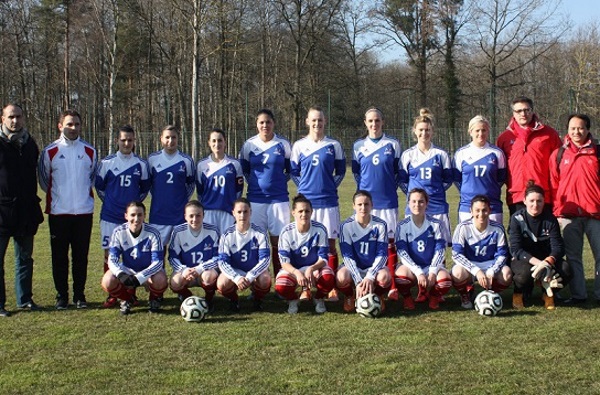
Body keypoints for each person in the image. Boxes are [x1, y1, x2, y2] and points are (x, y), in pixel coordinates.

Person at [39, 109, 97, 310]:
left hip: (83, 213)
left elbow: (92, 178)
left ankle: (79, 295)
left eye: (77, 124)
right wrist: (59, 198)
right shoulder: (50, 151)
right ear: (60, 126)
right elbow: (45, 181)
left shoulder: (90, 151)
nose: (73, 128)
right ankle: (61, 296)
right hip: (59, 213)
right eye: (69, 124)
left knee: (81, 257)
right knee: (59, 257)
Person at [291, 106, 345, 301]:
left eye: (320, 120)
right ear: (307, 122)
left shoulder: (333, 145)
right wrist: (304, 192)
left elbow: (340, 172)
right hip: (307, 205)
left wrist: (330, 187)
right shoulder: (298, 146)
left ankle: (331, 287)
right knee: (307, 245)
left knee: (330, 245)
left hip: (328, 202)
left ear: (325, 121)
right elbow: (294, 172)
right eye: (313, 120)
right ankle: (306, 287)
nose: (317, 124)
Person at [95, 125, 150, 308]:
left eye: (130, 140)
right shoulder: (107, 163)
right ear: (117, 140)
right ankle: (113, 295)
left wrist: (132, 209)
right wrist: (113, 203)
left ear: (134, 141)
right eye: (123, 140)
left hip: (132, 220)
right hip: (110, 216)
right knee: (109, 255)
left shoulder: (141, 165)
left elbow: (144, 190)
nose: (127, 143)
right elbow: (100, 188)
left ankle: (130, 294)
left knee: (130, 256)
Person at [550, 113, 600, 305]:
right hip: (568, 215)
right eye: (572, 128)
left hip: (595, 214)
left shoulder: (597, 152)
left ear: (588, 129)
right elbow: (554, 184)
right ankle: (579, 295)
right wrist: (558, 209)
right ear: (567, 130)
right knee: (573, 257)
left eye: (580, 128)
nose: (576, 132)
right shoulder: (559, 154)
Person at [351, 107, 401, 300]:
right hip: (365, 204)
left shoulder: (393, 144)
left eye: (377, 120)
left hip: (387, 202)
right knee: (367, 241)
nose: (374, 124)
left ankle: (393, 286)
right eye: (370, 121)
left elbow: (397, 173)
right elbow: (356, 173)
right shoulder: (358, 146)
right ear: (365, 122)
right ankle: (366, 280)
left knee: (389, 243)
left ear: (383, 122)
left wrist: (387, 187)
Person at [0, 104, 44, 317]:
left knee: (25, 258)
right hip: (2, 211)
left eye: (18, 116)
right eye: (11, 117)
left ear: (24, 118)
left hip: (26, 211)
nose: (15, 121)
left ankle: (24, 299)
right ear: (3, 119)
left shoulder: (30, 144)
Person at [239, 109, 291, 277]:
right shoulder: (249, 145)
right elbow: (245, 171)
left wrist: (279, 182)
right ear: (256, 124)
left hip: (279, 200)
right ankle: (260, 280)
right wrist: (255, 184)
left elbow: (290, 170)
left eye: (268, 122)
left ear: (273, 123)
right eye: (261, 122)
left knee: (279, 241)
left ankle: (281, 279)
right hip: (255, 199)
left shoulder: (283, 144)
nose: (265, 125)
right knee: (256, 241)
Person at [509, 182, 570, 310]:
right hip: (525, 259)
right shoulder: (517, 218)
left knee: (565, 269)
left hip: (546, 259)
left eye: (539, 201)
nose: (535, 205)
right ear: (524, 201)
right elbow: (516, 249)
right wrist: (539, 264)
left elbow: (558, 247)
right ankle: (518, 293)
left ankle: (547, 294)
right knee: (524, 274)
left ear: (544, 201)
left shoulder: (550, 219)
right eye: (531, 201)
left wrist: (548, 262)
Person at [496, 96, 561, 215]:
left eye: (527, 110)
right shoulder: (504, 138)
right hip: (517, 197)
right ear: (513, 113)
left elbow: (559, 165)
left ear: (532, 111)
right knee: (518, 233)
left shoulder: (549, 134)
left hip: (542, 196)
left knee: (545, 233)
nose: (523, 114)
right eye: (519, 111)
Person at [101, 201, 168, 315]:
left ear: (144, 216)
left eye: (140, 215)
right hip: (128, 269)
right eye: (132, 215)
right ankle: (127, 299)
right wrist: (121, 274)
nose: (136, 219)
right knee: (107, 281)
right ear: (126, 216)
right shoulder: (118, 232)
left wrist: (141, 277)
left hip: (148, 271)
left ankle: (154, 299)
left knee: (161, 279)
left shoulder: (153, 233)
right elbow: (112, 259)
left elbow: (157, 263)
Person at [400, 108, 453, 245]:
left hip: (437, 206)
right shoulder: (408, 155)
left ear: (432, 131)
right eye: (421, 130)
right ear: (415, 131)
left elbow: (448, 180)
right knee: (414, 244)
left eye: (427, 130)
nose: (424, 133)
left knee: (440, 245)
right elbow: (402, 181)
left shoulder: (441, 154)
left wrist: (434, 191)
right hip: (415, 207)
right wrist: (414, 196)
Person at [275, 194, 335, 314]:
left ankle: (318, 298)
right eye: (300, 211)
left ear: (312, 212)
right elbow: (284, 262)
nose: (304, 214)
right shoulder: (286, 232)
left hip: (314, 268)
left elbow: (324, 258)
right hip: (294, 269)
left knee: (328, 278)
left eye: (307, 211)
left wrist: (311, 269)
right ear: (293, 213)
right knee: (281, 286)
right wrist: (297, 272)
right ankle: (293, 299)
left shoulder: (320, 229)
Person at [450, 195, 512, 309]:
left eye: (484, 210)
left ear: (489, 211)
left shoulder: (498, 228)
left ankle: (491, 293)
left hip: (490, 264)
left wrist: (492, 271)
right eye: (477, 210)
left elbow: (502, 254)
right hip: (471, 265)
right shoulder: (462, 227)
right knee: (457, 273)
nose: (481, 214)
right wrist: (476, 270)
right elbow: (456, 254)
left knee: (507, 274)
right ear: (471, 211)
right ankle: (465, 294)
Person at [394, 188, 451, 310]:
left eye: (421, 201)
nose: (417, 205)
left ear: (426, 203)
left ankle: (434, 295)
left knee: (445, 281)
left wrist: (433, 271)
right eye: (413, 201)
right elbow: (402, 252)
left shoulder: (436, 224)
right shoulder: (402, 225)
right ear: (408, 203)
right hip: (412, 267)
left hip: (430, 266)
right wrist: (418, 272)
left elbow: (440, 250)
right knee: (400, 277)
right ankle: (408, 298)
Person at [337, 190, 391, 313]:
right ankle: (350, 296)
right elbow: (347, 256)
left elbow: (382, 255)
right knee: (341, 277)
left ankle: (377, 296)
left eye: (366, 204)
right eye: (359, 204)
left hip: (373, 268)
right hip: (354, 267)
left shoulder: (380, 225)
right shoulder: (346, 226)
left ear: (372, 205)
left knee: (385, 277)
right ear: (353, 206)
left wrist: (370, 276)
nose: (363, 208)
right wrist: (358, 280)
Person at [217, 198, 271, 312]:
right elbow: (222, 262)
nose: (242, 215)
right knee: (222, 283)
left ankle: (257, 299)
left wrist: (251, 276)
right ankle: (234, 300)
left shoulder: (260, 233)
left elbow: (265, 260)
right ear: (233, 213)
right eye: (239, 212)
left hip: (253, 270)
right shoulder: (227, 234)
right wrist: (236, 278)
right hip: (236, 271)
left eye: (245, 211)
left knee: (265, 279)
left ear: (250, 212)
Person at [147, 125, 195, 246]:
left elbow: (190, 185)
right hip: (158, 215)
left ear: (178, 138)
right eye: (167, 137)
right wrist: (160, 197)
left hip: (179, 215)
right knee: (157, 253)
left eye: (173, 137)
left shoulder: (186, 160)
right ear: (161, 139)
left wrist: (180, 200)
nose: (170, 141)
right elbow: (148, 185)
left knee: (181, 252)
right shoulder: (152, 159)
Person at [453, 115, 506, 224]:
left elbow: (501, 178)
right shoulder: (461, 153)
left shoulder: (497, 153)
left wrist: (489, 189)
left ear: (488, 131)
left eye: (484, 130)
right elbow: (457, 179)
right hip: (467, 205)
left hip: (492, 205)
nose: (481, 134)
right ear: (470, 131)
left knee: (493, 239)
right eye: (477, 130)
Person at [168, 200, 220, 311]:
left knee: (208, 277)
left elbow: (218, 257)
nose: (195, 219)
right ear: (185, 216)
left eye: (198, 215)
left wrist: (200, 269)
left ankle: (209, 299)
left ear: (203, 216)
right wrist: (184, 270)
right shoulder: (178, 231)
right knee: (175, 282)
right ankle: (188, 298)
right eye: (191, 216)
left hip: (206, 271)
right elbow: (172, 257)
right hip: (187, 273)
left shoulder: (213, 231)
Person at [196, 128, 244, 234]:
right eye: (213, 141)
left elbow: (239, 190)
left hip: (228, 211)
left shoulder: (235, 164)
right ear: (209, 143)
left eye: (220, 140)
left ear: (225, 142)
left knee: (227, 245)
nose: (217, 144)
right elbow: (200, 191)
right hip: (208, 212)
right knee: (209, 245)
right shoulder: (202, 165)